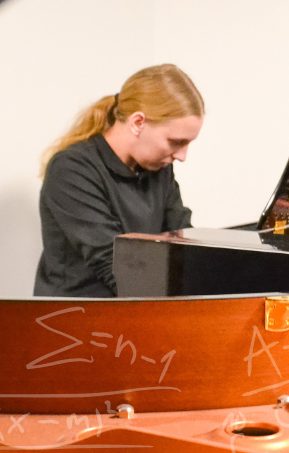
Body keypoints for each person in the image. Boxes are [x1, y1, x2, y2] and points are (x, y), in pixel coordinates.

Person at [34, 64, 204, 297]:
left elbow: (182, 243)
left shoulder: (160, 169)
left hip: (137, 310)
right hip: (75, 320)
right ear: (137, 123)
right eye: (176, 142)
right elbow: (114, 265)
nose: (181, 156)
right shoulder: (72, 169)